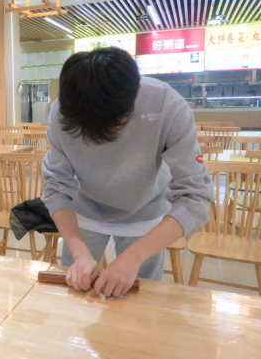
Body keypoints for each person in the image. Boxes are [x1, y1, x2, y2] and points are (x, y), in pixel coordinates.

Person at [41, 47, 214, 298]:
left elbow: (195, 196)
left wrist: (134, 257)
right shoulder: (63, 111)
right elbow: (56, 185)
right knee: (76, 294)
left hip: (145, 210)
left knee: (138, 301)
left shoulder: (167, 105)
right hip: (84, 210)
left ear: (137, 92)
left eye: (111, 126)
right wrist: (80, 254)